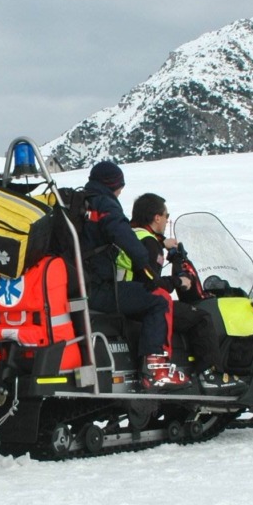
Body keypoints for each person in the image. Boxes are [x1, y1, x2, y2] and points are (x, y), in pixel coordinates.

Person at [80, 161, 187, 390]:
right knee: (159, 299)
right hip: (98, 287)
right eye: (120, 186)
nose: (120, 192)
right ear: (112, 184)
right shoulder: (105, 203)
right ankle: (156, 368)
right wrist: (148, 272)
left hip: (78, 285)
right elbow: (124, 236)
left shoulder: (79, 203)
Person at [127, 193, 246, 394]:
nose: (166, 220)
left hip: (125, 295)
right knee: (200, 318)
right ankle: (211, 374)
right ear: (157, 217)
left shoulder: (132, 234)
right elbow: (152, 283)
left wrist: (162, 244)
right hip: (142, 300)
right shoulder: (148, 243)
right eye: (166, 215)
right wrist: (178, 281)